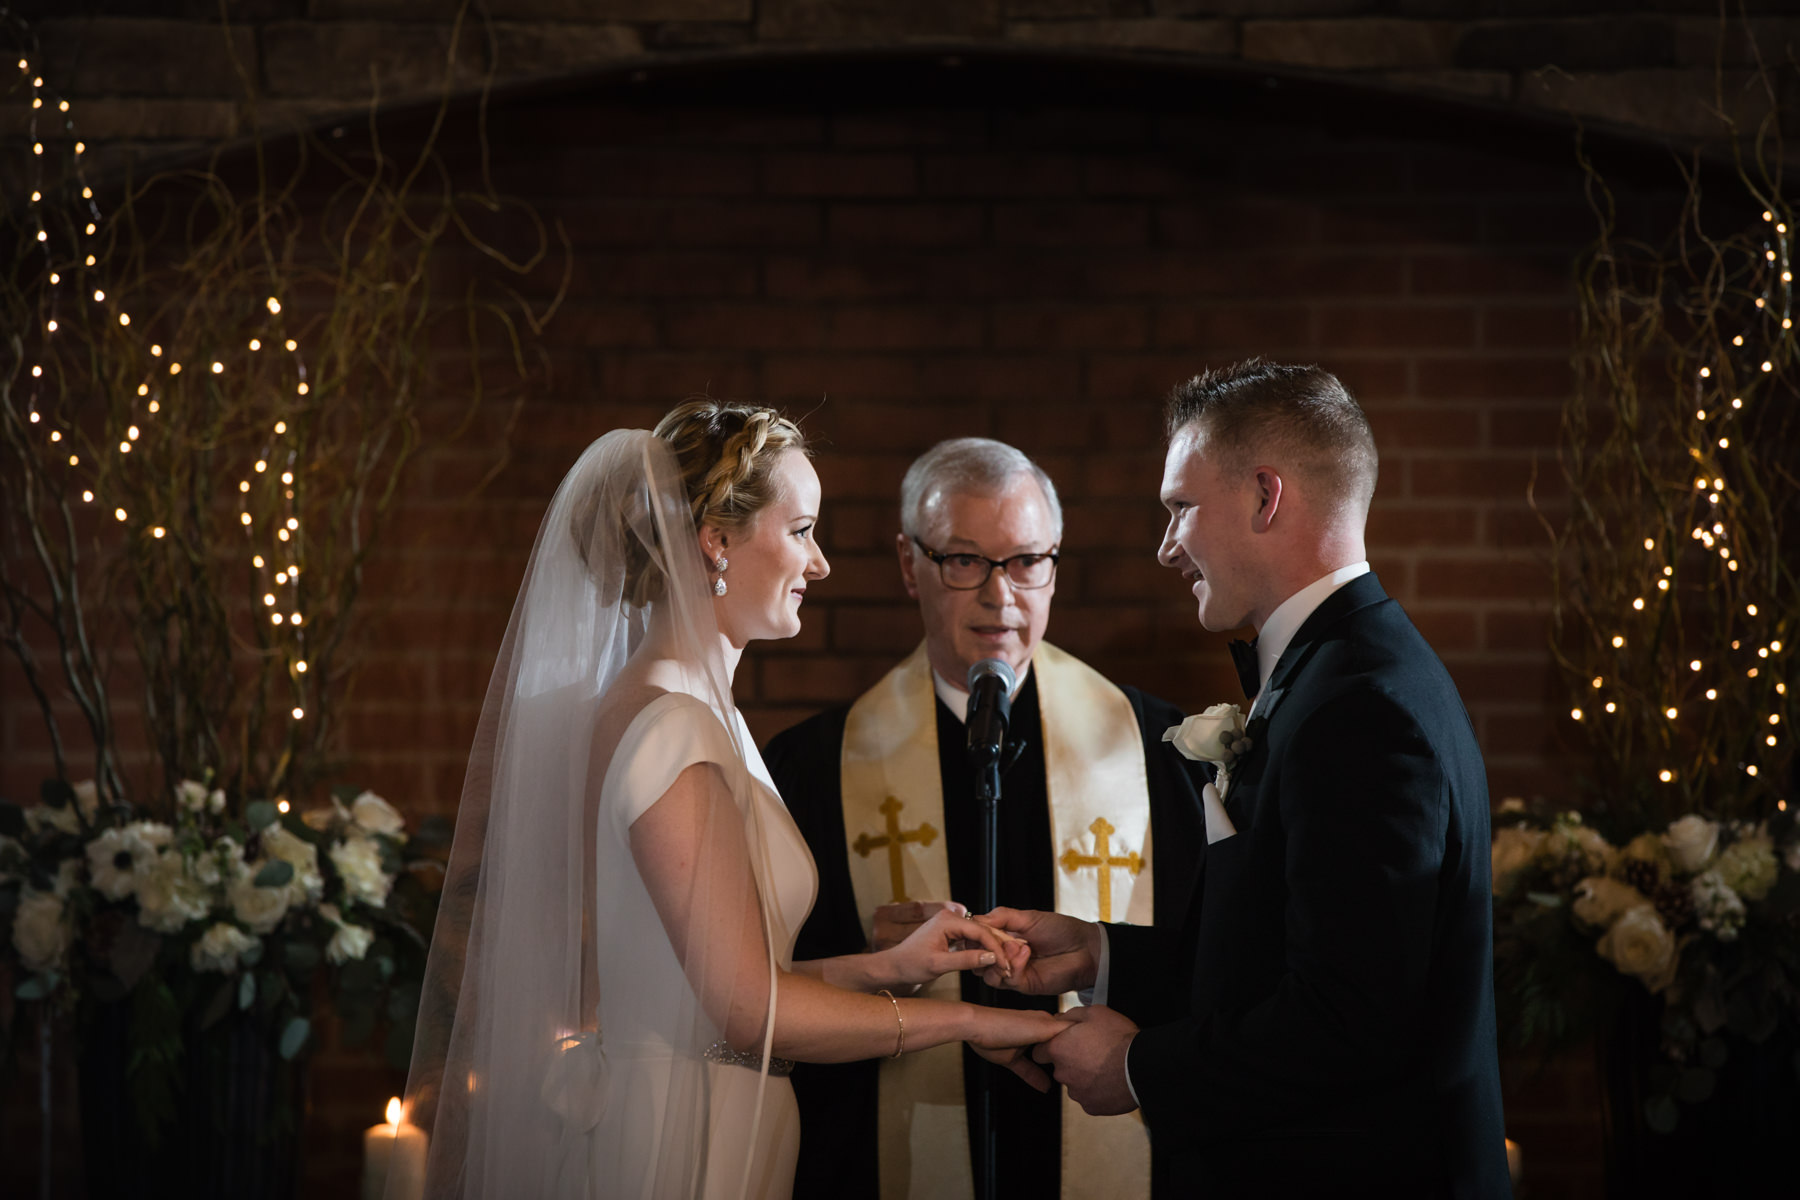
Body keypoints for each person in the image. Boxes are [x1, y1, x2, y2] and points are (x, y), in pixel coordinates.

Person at [400, 400, 1063, 1199]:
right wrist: (969, 1022)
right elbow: (748, 1015)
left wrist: (889, 967)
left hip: (707, 1107)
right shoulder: (672, 725)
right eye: (801, 531)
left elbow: (711, 989)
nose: (818, 565)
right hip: (685, 1140)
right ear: (717, 542)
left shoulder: (694, 712)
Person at [981, 361, 1512, 1197]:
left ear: (1266, 497)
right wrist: (1100, 953)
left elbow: (1349, 1020)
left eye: (1179, 509)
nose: (1166, 547)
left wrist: (1139, 1067)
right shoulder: (1340, 673)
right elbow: (1282, 954)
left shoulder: (1364, 708)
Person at [763, 438, 1209, 1200]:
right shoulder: (812, 766)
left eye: (1029, 561)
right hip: (885, 1143)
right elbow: (763, 990)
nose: (1002, 598)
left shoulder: (1155, 748)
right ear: (910, 565)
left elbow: (1208, 958)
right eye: (965, 561)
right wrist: (871, 959)